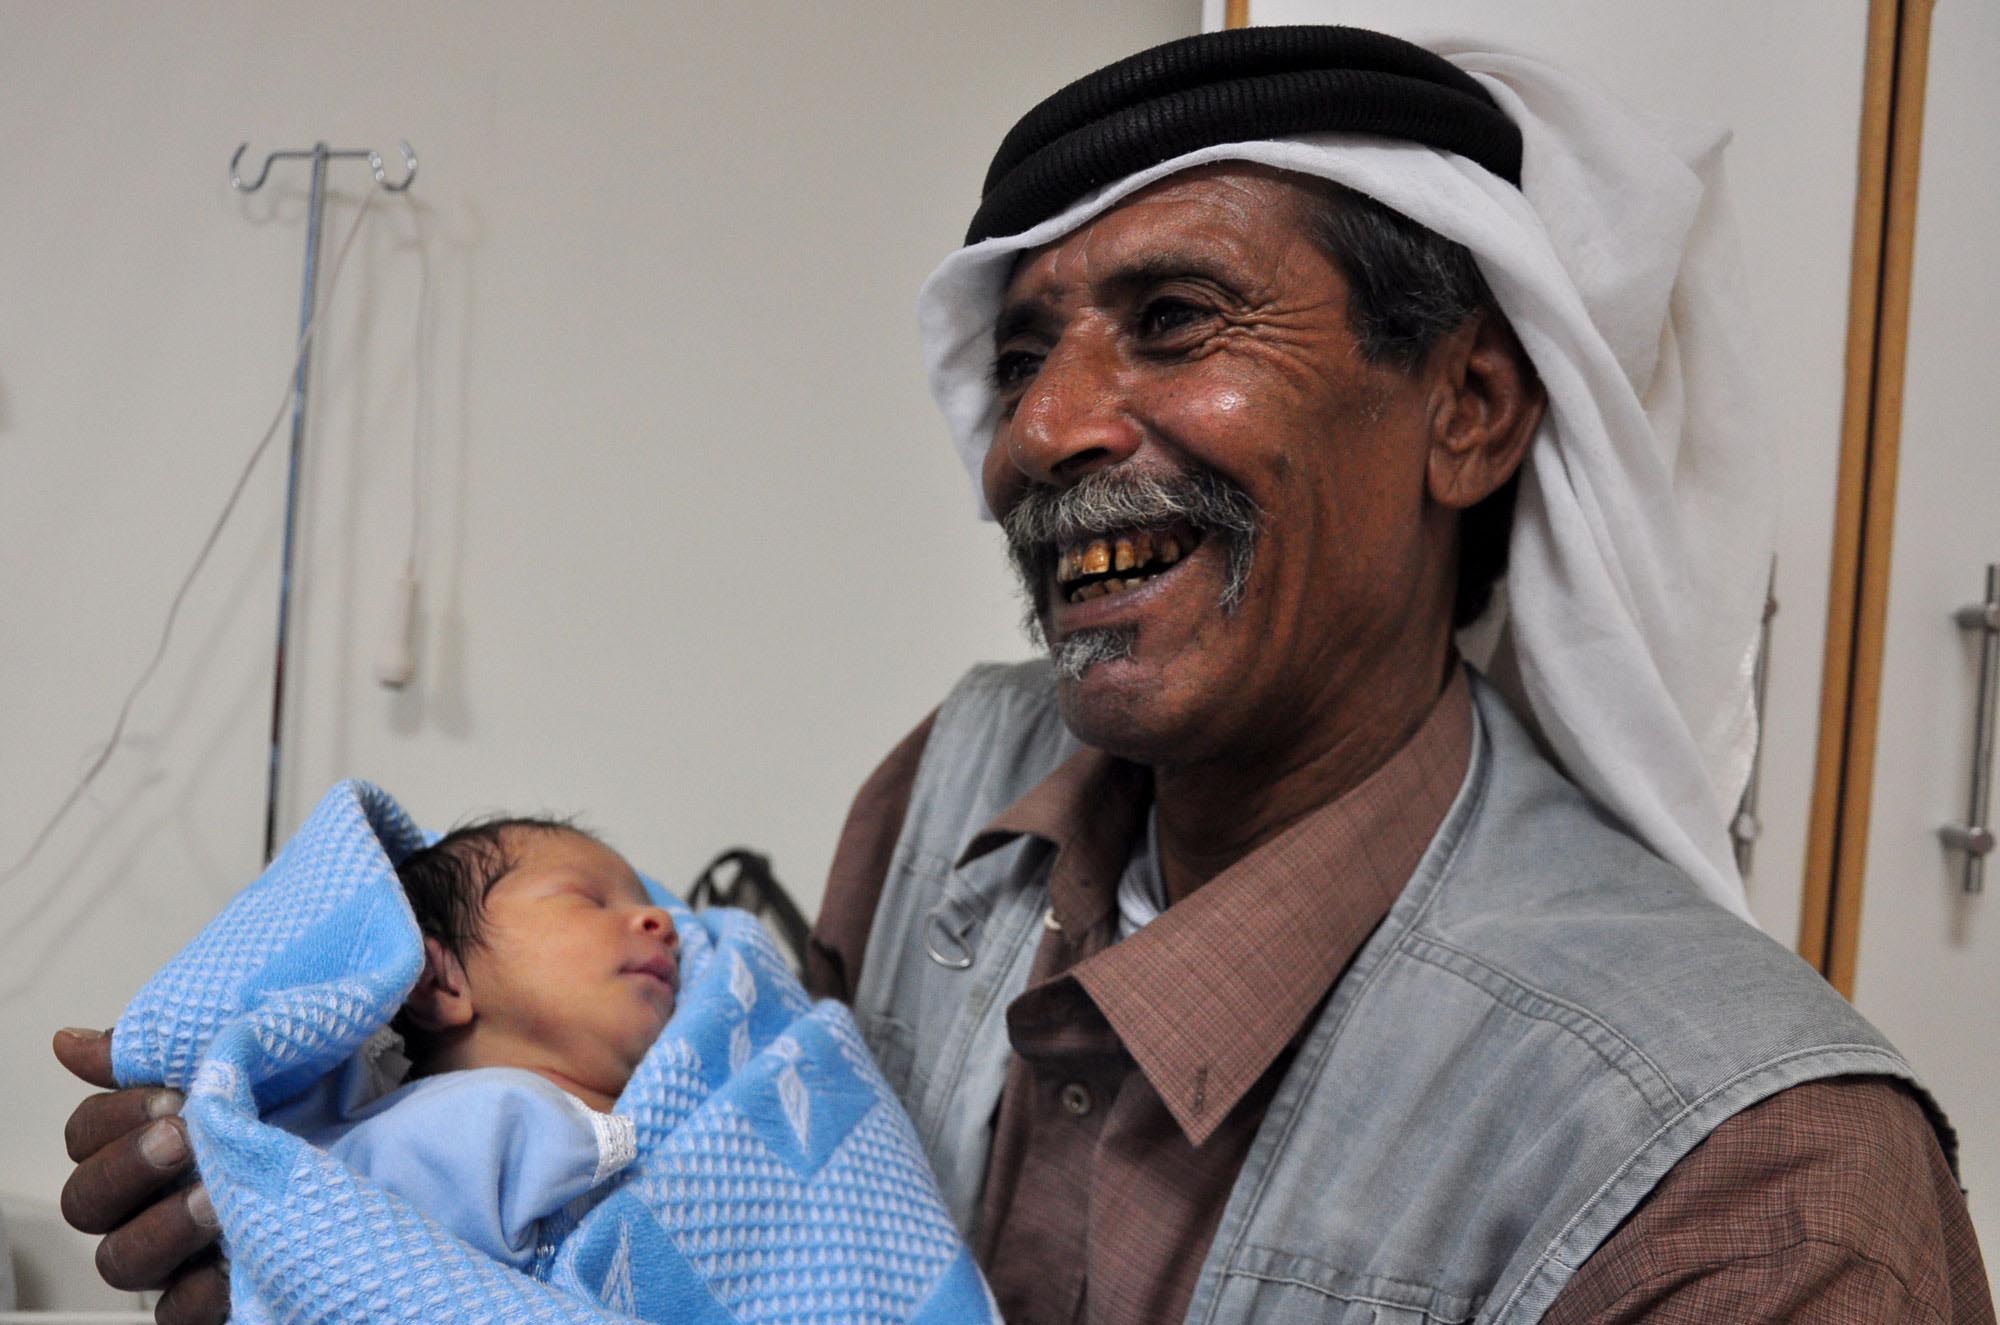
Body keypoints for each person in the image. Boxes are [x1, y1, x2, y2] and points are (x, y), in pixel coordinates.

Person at [56, 25, 1994, 1325]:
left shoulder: (1758, 1182)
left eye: (1173, 321)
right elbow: (695, 1198)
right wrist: (335, 1193)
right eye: (1023, 354)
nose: (1048, 431)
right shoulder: (952, 789)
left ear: (1468, 406)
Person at [269, 817, 679, 1270]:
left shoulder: (695, 1115)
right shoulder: (445, 1130)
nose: (662, 922)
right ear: (438, 981)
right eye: (589, 899)